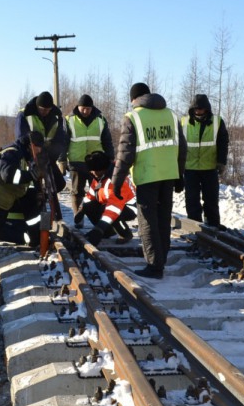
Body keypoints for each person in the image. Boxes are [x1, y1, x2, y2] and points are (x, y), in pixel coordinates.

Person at [112, 82, 185, 279]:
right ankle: (160, 259)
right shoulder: (171, 115)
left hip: (147, 176)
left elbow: (125, 153)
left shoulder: (133, 117)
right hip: (168, 174)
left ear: (133, 99)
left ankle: (154, 266)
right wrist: (180, 175)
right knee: (163, 219)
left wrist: (116, 181)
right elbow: (182, 147)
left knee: (148, 222)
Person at [0, 132, 43, 269]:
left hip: (9, 197)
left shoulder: (24, 154)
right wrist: (30, 175)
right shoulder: (11, 153)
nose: (40, 151)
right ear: (32, 145)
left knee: (31, 199)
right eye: (39, 148)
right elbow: (9, 176)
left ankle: (35, 240)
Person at [15, 91, 68, 218]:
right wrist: (31, 158)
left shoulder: (56, 116)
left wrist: (52, 156)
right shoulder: (24, 114)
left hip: (48, 158)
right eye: (42, 109)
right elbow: (21, 138)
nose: (45, 112)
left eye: (48, 109)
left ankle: (52, 208)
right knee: (34, 188)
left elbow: (60, 139)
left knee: (59, 184)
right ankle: (37, 213)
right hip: (30, 158)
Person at [64, 94, 113, 227]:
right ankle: (78, 219)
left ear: (92, 108)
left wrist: (110, 158)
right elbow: (64, 141)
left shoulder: (100, 119)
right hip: (76, 161)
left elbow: (107, 141)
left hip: (96, 163)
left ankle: (99, 219)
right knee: (77, 191)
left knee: (99, 192)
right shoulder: (69, 120)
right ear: (78, 107)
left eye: (88, 108)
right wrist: (62, 159)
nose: (85, 111)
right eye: (83, 108)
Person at [181, 93, 228, 228]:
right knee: (192, 200)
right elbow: (178, 144)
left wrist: (221, 161)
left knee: (211, 200)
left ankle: (213, 225)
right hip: (190, 168)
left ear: (206, 108)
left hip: (210, 167)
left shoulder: (217, 122)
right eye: (195, 108)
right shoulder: (184, 122)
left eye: (201, 108)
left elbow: (223, 143)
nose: (198, 111)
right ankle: (195, 226)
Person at [78, 150, 136, 246]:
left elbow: (114, 208)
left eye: (95, 170)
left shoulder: (116, 180)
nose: (92, 173)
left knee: (106, 209)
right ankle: (108, 232)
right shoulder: (99, 177)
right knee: (90, 206)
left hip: (128, 208)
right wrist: (82, 209)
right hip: (108, 205)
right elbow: (91, 195)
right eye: (91, 170)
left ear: (103, 169)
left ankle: (125, 234)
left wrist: (100, 228)